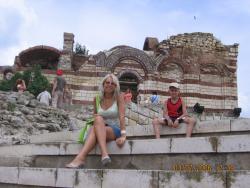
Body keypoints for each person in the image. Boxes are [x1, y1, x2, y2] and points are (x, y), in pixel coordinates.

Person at [66, 73, 126, 168]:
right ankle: (103, 154)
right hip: (100, 128)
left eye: (113, 83)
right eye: (107, 82)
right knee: (97, 118)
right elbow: (95, 116)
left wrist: (123, 135)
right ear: (103, 84)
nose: (110, 85)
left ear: (116, 86)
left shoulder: (119, 97)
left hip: (114, 130)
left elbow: (122, 116)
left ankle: (82, 158)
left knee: (97, 123)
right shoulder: (97, 99)